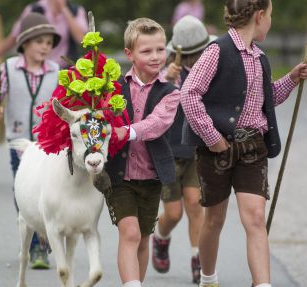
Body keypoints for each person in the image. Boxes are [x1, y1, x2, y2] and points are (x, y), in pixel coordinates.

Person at [180, 0, 307, 287]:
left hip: (253, 147)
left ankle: (262, 284)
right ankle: (208, 279)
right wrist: (212, 138)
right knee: (214, 218)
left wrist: (292, 78)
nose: (271, 21)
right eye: (271, 15)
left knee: (255, 217)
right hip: (218, 150)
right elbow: (189, 94)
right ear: (260, 16)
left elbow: (267, 98)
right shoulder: (217, 51)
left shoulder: (259, 57)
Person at [103, 18, 181, 287]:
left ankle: (137, 281)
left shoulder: (170, 93)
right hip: (119, 175)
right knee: (130, 232)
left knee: (144, 236)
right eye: (146, 51)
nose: (156, 56)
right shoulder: (114, 88)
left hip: (151, 177)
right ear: (130, 54)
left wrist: (128, 131)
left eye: (160, 49)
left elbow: (157, 123)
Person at [0, 12, 61, 270]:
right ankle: (34, 242)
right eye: (39, 42)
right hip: (19, 142)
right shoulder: (7, 69)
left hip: (47, 144)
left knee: (47, 191)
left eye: (49, 43)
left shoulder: (56, 71)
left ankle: (41, 243)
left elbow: (62, 103)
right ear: (25, 43)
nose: (45, 47)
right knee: (24, 191)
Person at [151, 15, 216, 284]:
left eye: (199, 53)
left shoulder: (210, 71)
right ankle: (161, 237)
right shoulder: (164, 73)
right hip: (168, 151)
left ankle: (197, 260)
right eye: (188, 55)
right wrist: (168, 80)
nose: (194, 59)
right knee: (174, 213)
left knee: (195, 205)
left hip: (195, 150)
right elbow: (153, 105)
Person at [0, 0, 88, 67]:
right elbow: (14, 38)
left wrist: (64, 9)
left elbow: (81, 39)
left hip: (64, 68)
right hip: (35, 67)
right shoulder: (34, 9)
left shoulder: (76, 11)